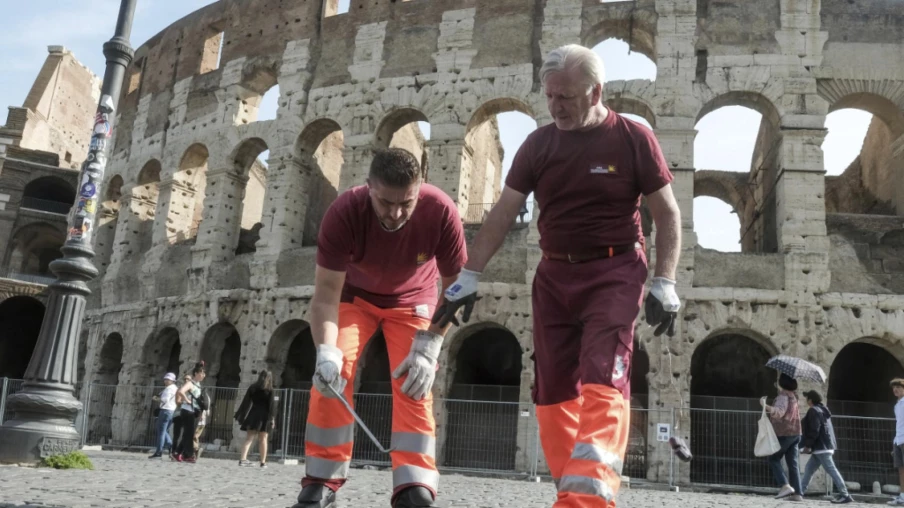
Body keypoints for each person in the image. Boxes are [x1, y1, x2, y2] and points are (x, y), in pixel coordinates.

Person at [433, 43, 683, 507]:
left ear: (596, 92)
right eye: (550, 96)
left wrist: (664, 281)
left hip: (616, 269)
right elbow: (504, 212)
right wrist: (468, 275)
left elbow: (667, 214)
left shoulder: (632, 137)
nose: (555, 106)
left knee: (603, 377)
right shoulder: (539, 144)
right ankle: (573, 485)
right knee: (551, 393)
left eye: (566, 96)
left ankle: (584, 501)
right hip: (554, 276)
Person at [292, 148, 467, 508]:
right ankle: (322, 479)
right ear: (369, 186)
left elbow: (456, 290)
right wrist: (325, 350)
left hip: (414, 300)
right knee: (333, 376)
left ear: (420, 189)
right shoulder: (345, 211)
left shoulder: (440, 210)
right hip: (353, 297)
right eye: (386, 202)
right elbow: (325, 295)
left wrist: (431, 343)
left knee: (415, 382)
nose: (397, 213)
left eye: (408, 202)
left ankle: (414, 483)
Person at [798, 389, 853, 504]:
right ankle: (800, 492)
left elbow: (814, 429)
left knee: (831, 470)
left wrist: (808, 445)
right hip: (824, 446)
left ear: (810, 400)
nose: (806, 400)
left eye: (807, 398)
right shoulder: (823, 410)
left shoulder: (813, 410)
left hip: (821, 447)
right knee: (809, 469)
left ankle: (845, 494)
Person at [761, 373, 803, 501]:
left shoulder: (783, 396)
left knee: (773, 458)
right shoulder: (794, 396)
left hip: (784, 433)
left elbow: (779, 412)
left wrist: (764, 405)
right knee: (793, 464)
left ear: (782, 382)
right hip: (796, 433)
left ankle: (785, 486)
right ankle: (798, 494)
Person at [235, 369, 278, 468]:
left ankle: (243, 459)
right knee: (263, 439)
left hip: (253, 414)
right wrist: (272, 418)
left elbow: (246, 402)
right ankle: (263, 462)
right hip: (264, 416)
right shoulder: (270, 390)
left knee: (249, 438)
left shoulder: (253, 388)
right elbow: (271, 406)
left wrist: (241, 415)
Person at [172, 362, 206, 463]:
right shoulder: (190, 383)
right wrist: (187, 400)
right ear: (195, 373)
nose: (203, 375)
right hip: (187, 411)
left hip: (193, 411)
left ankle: (177, 453)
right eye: (201, 373)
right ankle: (188, 455)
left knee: (188, 434)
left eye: (204, 373)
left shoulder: (198, 385)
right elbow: (181, 391)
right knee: (189, 434)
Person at [149, 372, 177, 459]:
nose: (165, 381)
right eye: (165, 379)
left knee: (161, 432)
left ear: (172, 380)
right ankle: (170, 446)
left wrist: (156, 398)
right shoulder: (175, 388)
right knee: (164, 431)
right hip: (171, 411)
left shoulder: (168, 389)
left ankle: (159, 452)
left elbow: (165, 400)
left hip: (165, 410)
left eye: (167, 379)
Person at [889, 378, 904, 505]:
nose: (895, 389)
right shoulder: (896, 405)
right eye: (894, 387)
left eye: (898, 387)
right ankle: (903, 496)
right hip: (899, 440)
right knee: (901, 469)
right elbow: (898, 424)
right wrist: (895, 441)